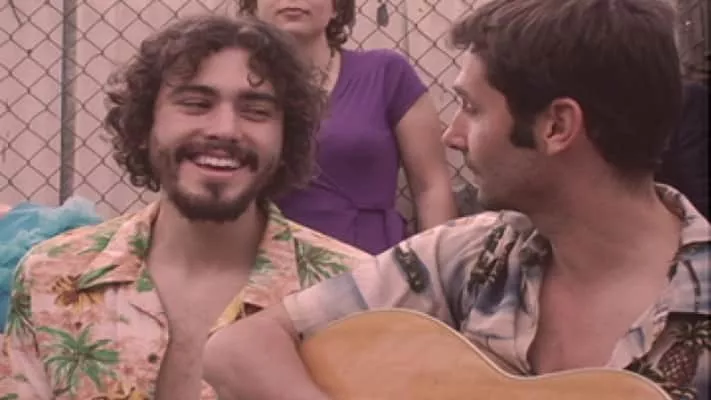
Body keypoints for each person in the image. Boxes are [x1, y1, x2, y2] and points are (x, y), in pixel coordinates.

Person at [201, 1, 710, 400]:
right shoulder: (471, 255)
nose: (452, 135)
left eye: (471, 107)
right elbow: (236, 347)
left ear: (557, 127)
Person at [0, 14, 370, 399]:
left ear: (285, 139)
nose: (225, 129)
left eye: (256, 111)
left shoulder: (352, 292)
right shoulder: (50, 276)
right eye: (196, 104)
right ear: (145, 126)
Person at [238, 0, 458, 255]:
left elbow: (431, 186)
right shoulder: (230, 87)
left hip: (374, 261)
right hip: (268, 260)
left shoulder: (386, 74)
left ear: (337, 8)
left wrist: (439, 266)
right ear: (253, 6)